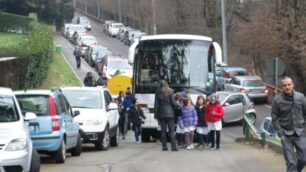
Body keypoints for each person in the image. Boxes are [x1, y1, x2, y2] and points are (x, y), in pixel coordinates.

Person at [271, 76, 306, 172]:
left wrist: (304, 129)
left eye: (289, 84)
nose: (287, 87)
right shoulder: (277, 100)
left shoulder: (300, 97)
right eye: (284, 85)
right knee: (291, 162)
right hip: (286, 135)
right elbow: (274, 117)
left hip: (300, 133)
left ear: (293, 85)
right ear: (281, 87)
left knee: (303, 159)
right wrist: (280, 133)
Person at [154, 80, 178, 151]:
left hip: (161, 113)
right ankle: (173, 146)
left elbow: (156, 105)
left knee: (163, 131)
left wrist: (156, 115)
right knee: (171, 131)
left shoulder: (158, 92)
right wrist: (178, 105)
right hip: (170, 114)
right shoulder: (171, 91)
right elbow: (173, 103)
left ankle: (164, 146)